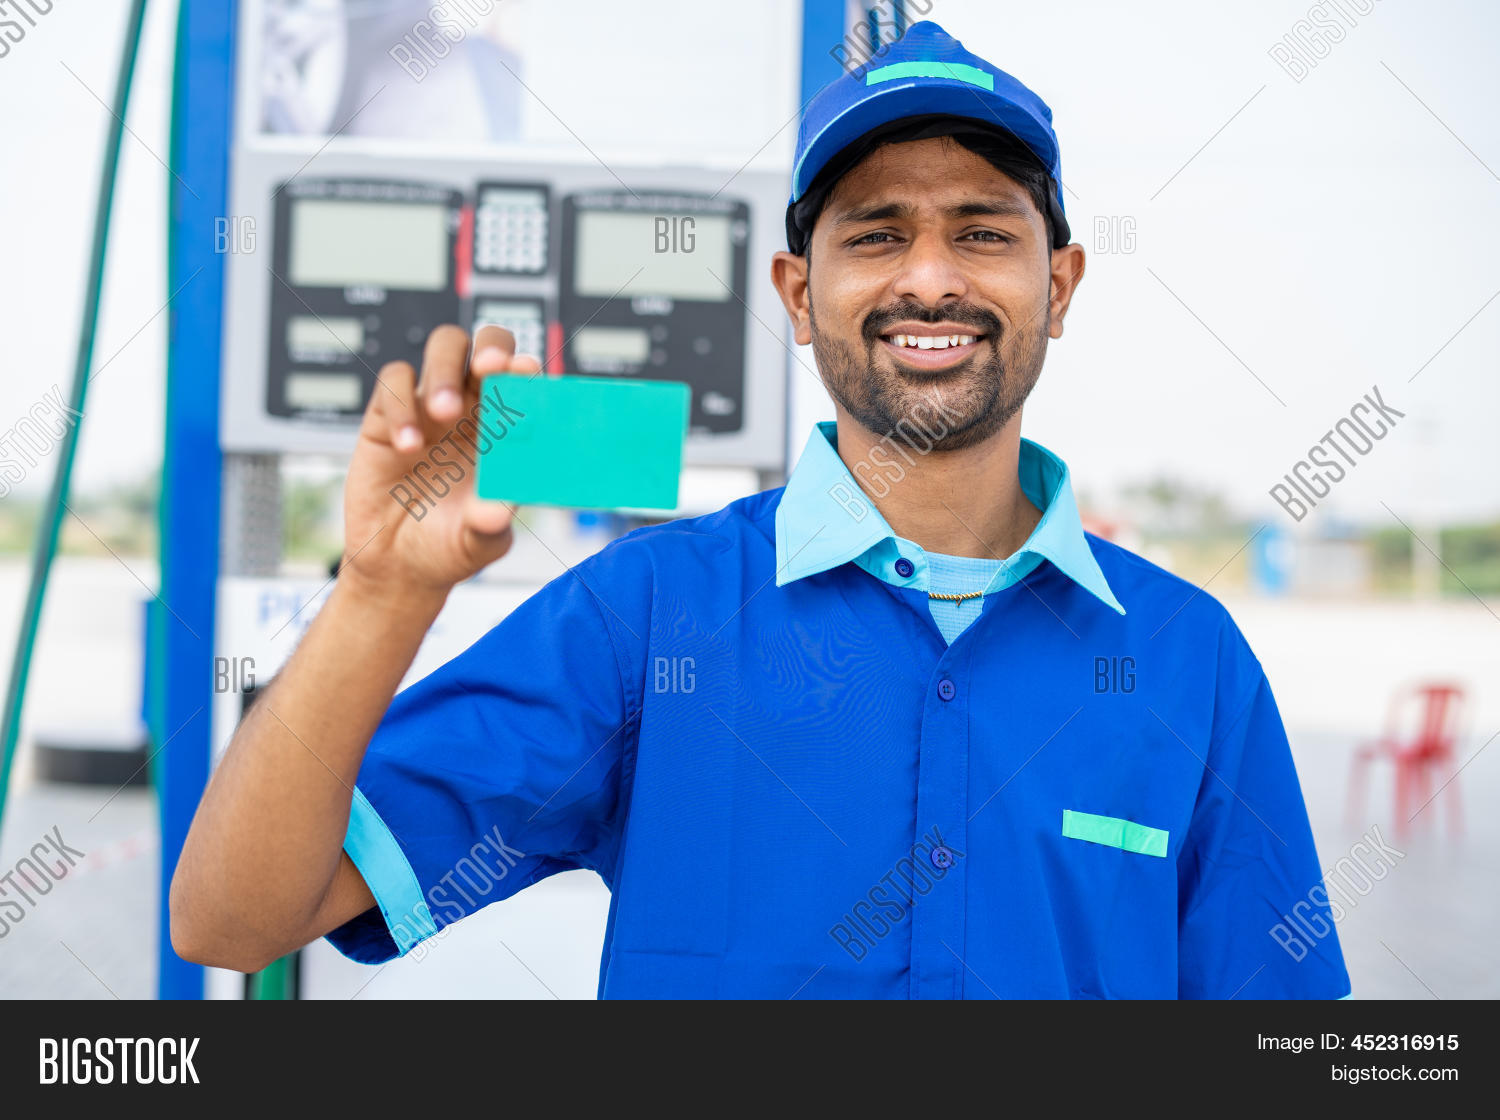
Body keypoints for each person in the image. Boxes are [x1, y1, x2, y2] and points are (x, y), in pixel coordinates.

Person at [171, 21, 1350, 999]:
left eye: (982, 232)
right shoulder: (642, 621)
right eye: (876, 233)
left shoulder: (1189, 659)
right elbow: (234, 917)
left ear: (1059, 282)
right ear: (798, 292)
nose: (928, 278)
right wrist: (384, 590)